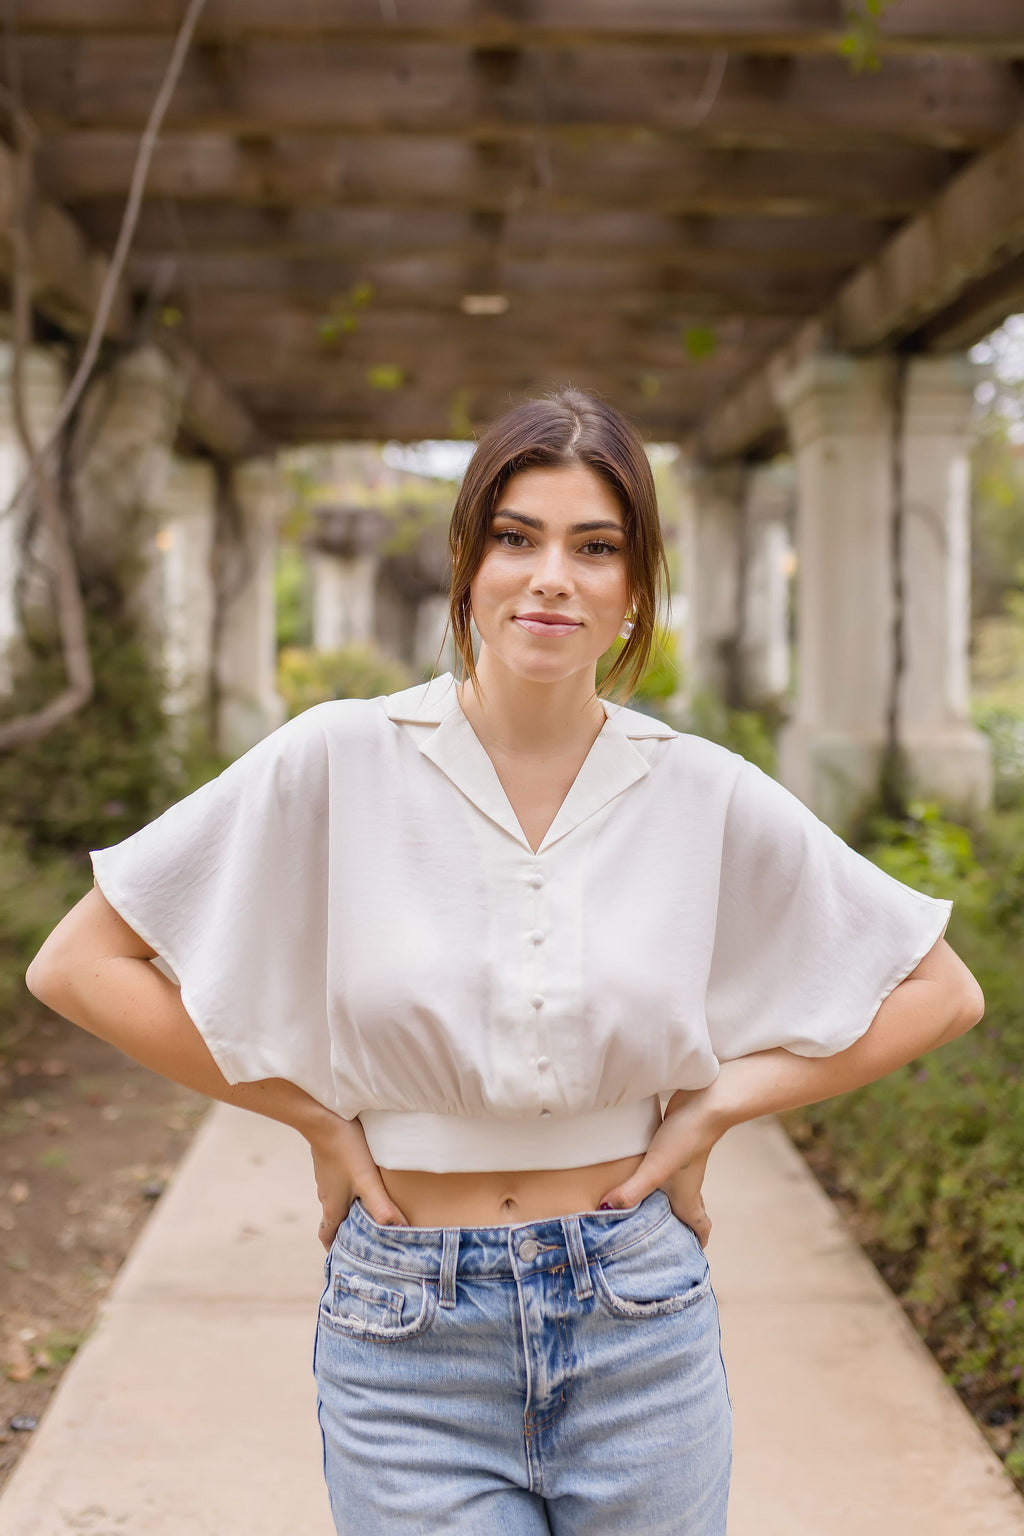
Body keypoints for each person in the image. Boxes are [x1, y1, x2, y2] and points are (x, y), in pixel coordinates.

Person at [26, 387, 984, 1536]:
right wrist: (314, 1117)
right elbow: (80, 963)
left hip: (639, 1317)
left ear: (633, 590)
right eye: (515, 537)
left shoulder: (697, 787)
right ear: (466, 562)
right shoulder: (340, 758)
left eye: (596, 548)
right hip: (405, 1332)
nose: (550, 578)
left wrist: (712, 1112)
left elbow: (939, 989)